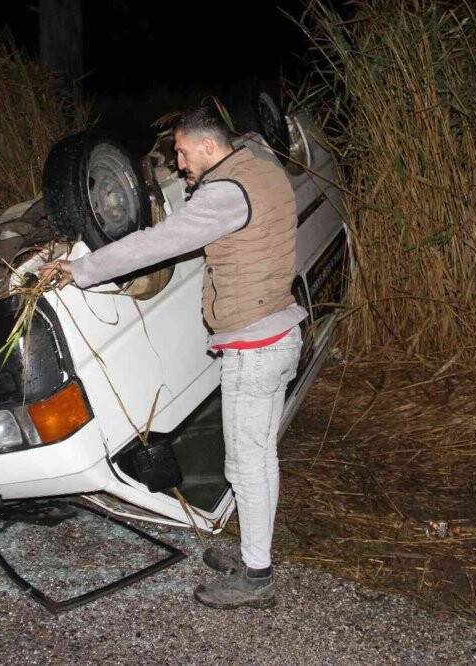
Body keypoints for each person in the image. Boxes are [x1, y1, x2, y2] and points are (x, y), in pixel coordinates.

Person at [38, 105, 306, 609]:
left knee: (246, 465)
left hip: (255, 348)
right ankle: (254, 555)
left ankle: (257, 578)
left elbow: (159, 242)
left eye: (182, 152)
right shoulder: (260, 168)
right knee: (259, 457)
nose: (179, 164)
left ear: (208, 145)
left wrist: (82, 270)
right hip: (278, 334)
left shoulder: (226, 194)